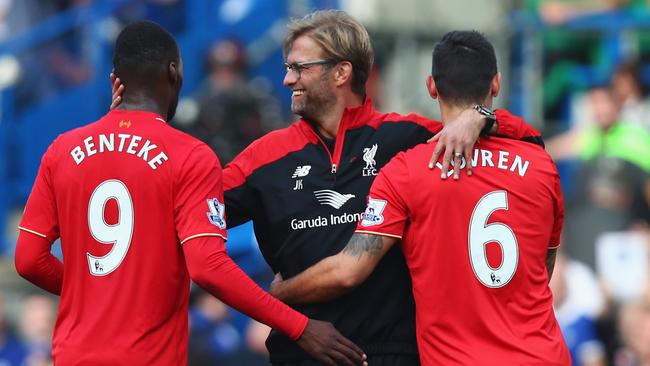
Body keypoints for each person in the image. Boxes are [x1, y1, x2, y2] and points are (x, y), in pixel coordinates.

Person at [111, 11, 544, 365]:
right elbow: (175, 213)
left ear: (341, 72)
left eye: (299, 68)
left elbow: (523, 146)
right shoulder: (263, 158)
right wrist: (131, 134)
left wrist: (481, 117)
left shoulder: (406, 137)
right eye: (287, 69)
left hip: (393, 354)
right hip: (299, 353)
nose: (287, 80)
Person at [14, 20, 366, 366]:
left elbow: (29, 259)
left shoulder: (62, 150)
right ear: (174, 73)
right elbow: (208, 266)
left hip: (72, 356)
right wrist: (301, 327)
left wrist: (94, 295)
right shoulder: (190, 155)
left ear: (114, 82)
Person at [270, 30, 571, 365]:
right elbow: (543, 268)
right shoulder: (540, 165)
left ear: (431, 87)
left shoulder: (407, 171)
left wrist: (279, 292)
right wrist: (484, 116)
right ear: (496, 84)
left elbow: (348, 271)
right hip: (543, 356)